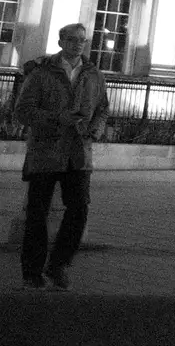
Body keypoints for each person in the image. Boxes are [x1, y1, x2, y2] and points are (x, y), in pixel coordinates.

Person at [13, 23, 109, 289]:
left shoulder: (94, 74)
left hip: (78, 152)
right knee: (37, 213)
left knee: (79, 210)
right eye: (71, 39)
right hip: (46, 151)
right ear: (60, 42)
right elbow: (23, 111)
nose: (77, 44)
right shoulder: (43, 72)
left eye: (82, 40)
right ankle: (32, 271)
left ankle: (58, 265)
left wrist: (96, 130)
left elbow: (103, 108)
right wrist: (57, 119)